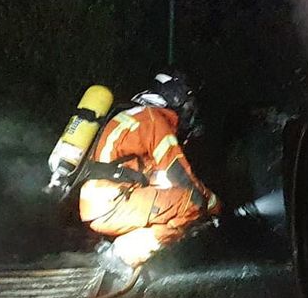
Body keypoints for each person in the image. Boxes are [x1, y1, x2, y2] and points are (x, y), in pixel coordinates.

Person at [78, 71, 221, 267]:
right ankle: (123, 254)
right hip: (112, 202)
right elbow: (179, 173)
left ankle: (113, 247)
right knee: (190, 202)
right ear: (176, 96)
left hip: (97, 202)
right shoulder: (154, 119)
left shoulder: (135, 115)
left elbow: (154, 177)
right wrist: (210, 202)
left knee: (173, 197)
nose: (190, 109)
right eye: (188, 101)